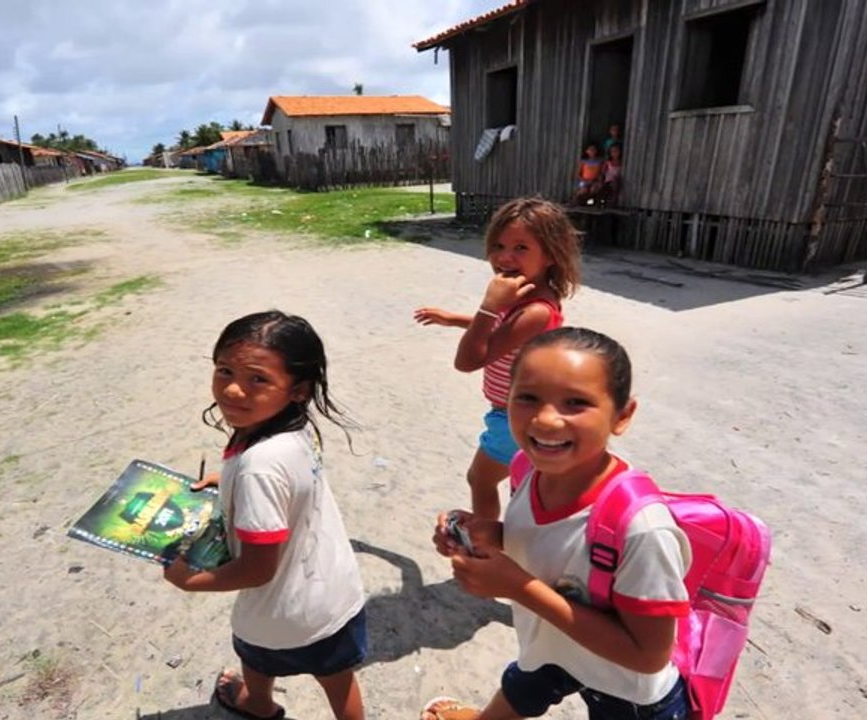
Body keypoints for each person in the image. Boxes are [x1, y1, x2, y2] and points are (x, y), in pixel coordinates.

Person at [422, 327, 692, 720]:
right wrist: (491, 535)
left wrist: (518, 587)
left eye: (576, 403)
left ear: (622, 416)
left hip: (625, 691)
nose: (546, 420)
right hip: (556, 646)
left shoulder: (641, 529)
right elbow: (554, 539)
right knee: (524, 681)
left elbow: (648, 657)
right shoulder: (526, 468)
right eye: (527, 398)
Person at [164, 310, 367, 720]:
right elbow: (290, 483)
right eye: (224, 370)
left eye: (258, 379)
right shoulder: (294, 427)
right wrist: (229, 481)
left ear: (298, 390)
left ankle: (257, 703)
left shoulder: (259, 467)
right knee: (337, 675)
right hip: (334, 592)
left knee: (255, 656)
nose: (233, 389)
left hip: (280, 612)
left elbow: (257, 569)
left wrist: (190, 581)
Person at [414, 198, 581, 520]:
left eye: (521, 248)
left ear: (550, 254)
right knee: (524, 486)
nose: (505, 257)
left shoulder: (535, 311)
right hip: (515, 412)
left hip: (515, 418)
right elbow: (503, 330)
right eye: (499, 246)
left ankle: (485, 540)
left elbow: (467, 361)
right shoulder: (525, 295)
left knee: (480, 480)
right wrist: (454, 319)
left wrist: (487, 306)